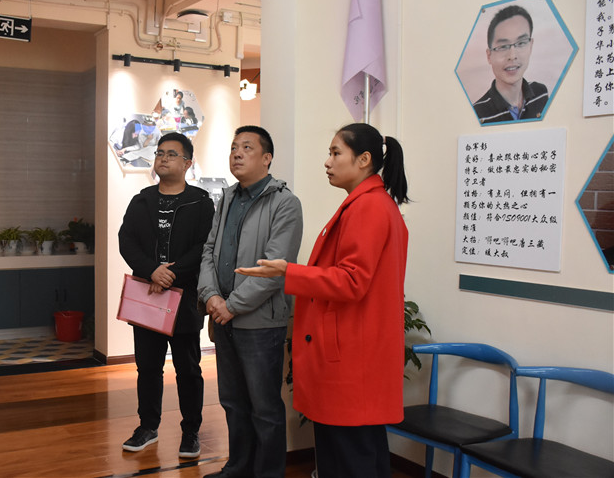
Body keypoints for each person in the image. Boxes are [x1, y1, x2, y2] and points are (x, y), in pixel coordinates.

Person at [236, 123, 409, 478]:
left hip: (352, 356)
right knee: (357, 456)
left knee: (349, 459)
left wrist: (289, 272)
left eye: (335, 153)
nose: (327, 162)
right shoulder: (367, 203)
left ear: (364, 159)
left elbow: (352, 281)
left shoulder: (369, 207)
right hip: (355, 352)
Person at [197, 125, 303, 478]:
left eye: (246, 148)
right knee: (232, 402)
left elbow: (275, 269)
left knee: (265, 409)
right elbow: (209, 250)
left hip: (259, 323)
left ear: (267, 158)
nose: (237, 154)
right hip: (222, 317)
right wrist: (211, 296)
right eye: (233, 148)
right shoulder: (227, 198)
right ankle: (238, 468)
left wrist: (232, 306)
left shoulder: (285, 203)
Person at [119, 132, 215, 458]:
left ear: (187, 163)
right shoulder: (142, 200)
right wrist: (152, 271)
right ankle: (147, 427)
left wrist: (169, 273)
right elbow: (126, 240)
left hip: (183, 297)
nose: (162, 158)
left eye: (171, 154)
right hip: (147, 294)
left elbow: (204, 246)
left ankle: (191, 432)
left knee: (188, 369)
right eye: (160, 153)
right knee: (147, 367)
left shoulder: (201, 202)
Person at [473, 5, 548, 124]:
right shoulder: (477, 113)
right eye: (503, 46)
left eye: (521, 43)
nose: (512, 56)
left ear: (530, 46)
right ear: (489, 56)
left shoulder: (541, 93)